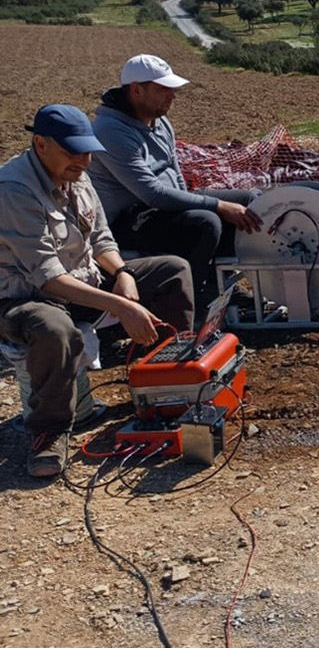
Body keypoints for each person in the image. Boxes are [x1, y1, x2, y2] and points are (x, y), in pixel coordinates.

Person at [0, 105, 194, 478]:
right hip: (22, 298)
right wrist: (121, 306)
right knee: (54, 329)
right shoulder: (14, 189)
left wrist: (121, 272)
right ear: (40, 144)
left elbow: (101, 236)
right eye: (73, 151)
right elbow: (47, 277)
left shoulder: (76, 173)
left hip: (81, 281)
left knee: (171, 271)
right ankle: (49, 432)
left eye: (88, 151)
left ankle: (166, 389)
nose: (84, 160)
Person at [88, 53, 261, 313]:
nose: (172, 95)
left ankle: (219, 282)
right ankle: (194, 297)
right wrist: (216, 206)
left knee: (247, 199)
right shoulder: (111, 131)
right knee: (207, 222)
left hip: (161, 208)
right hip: (129, 220)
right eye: (163, 89)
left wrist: (197, 201)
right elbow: (151, 194)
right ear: (137, 90)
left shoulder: (160, 121)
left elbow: (174, 170)